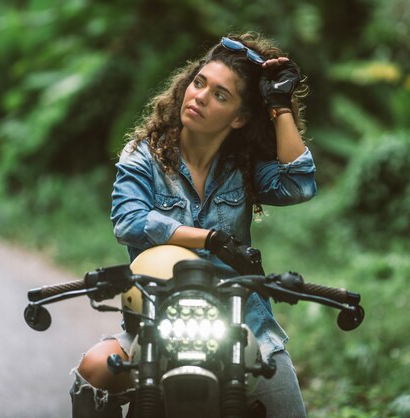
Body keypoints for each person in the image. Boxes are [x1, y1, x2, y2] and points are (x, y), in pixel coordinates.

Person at [70, 32, 317, 418]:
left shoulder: (243, 165)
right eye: (199, 83)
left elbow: (298, 184)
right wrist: (210, 239)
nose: (200, 96)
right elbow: (129, 220)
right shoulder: (144, 155)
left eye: (220, 95)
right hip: (156, 322)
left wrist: (279, 106)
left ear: (239, 117)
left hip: (240, 323)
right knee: (95, 369)